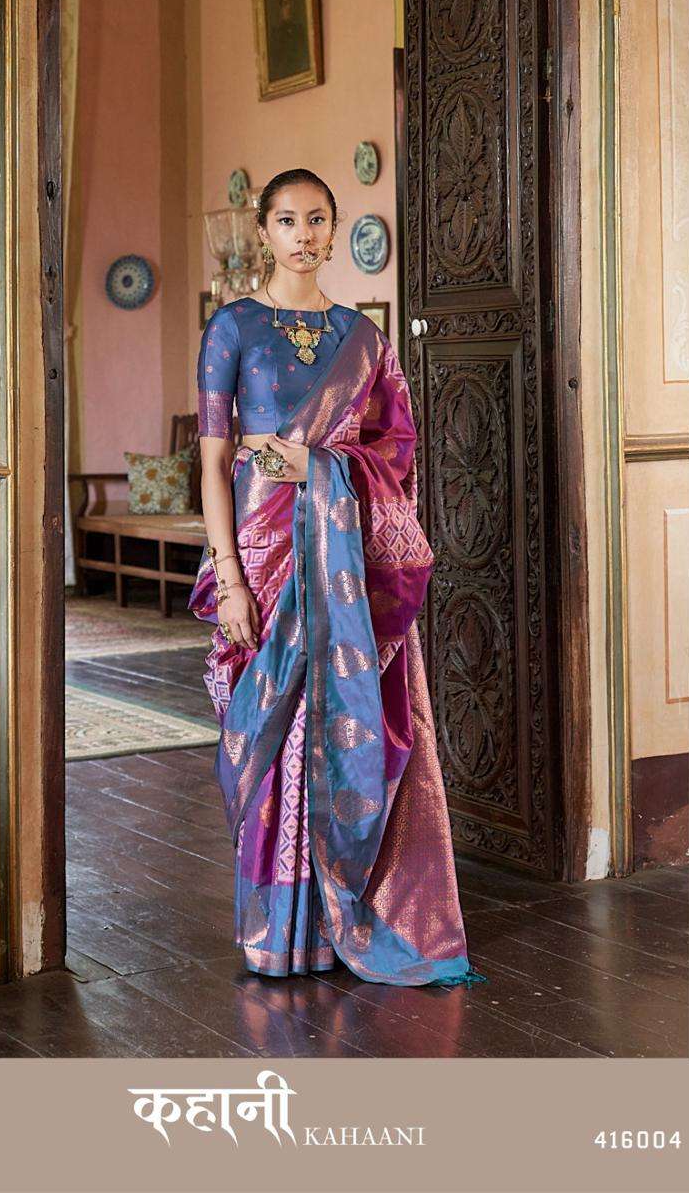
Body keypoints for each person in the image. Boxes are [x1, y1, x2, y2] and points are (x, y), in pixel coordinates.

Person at [188, 167, 488, 989]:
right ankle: (277, 930)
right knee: (272, 733)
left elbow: (398, 454)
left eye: (318, 219)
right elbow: (212, 464)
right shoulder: (232, 328)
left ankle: (339, 917)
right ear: (264, 231)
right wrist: (231, 577)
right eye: (288, 220)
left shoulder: (364, 338)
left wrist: (318, 465)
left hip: (345, 562)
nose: (305, 235)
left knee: (341, 724)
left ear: (333, 227)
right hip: (263, 554)